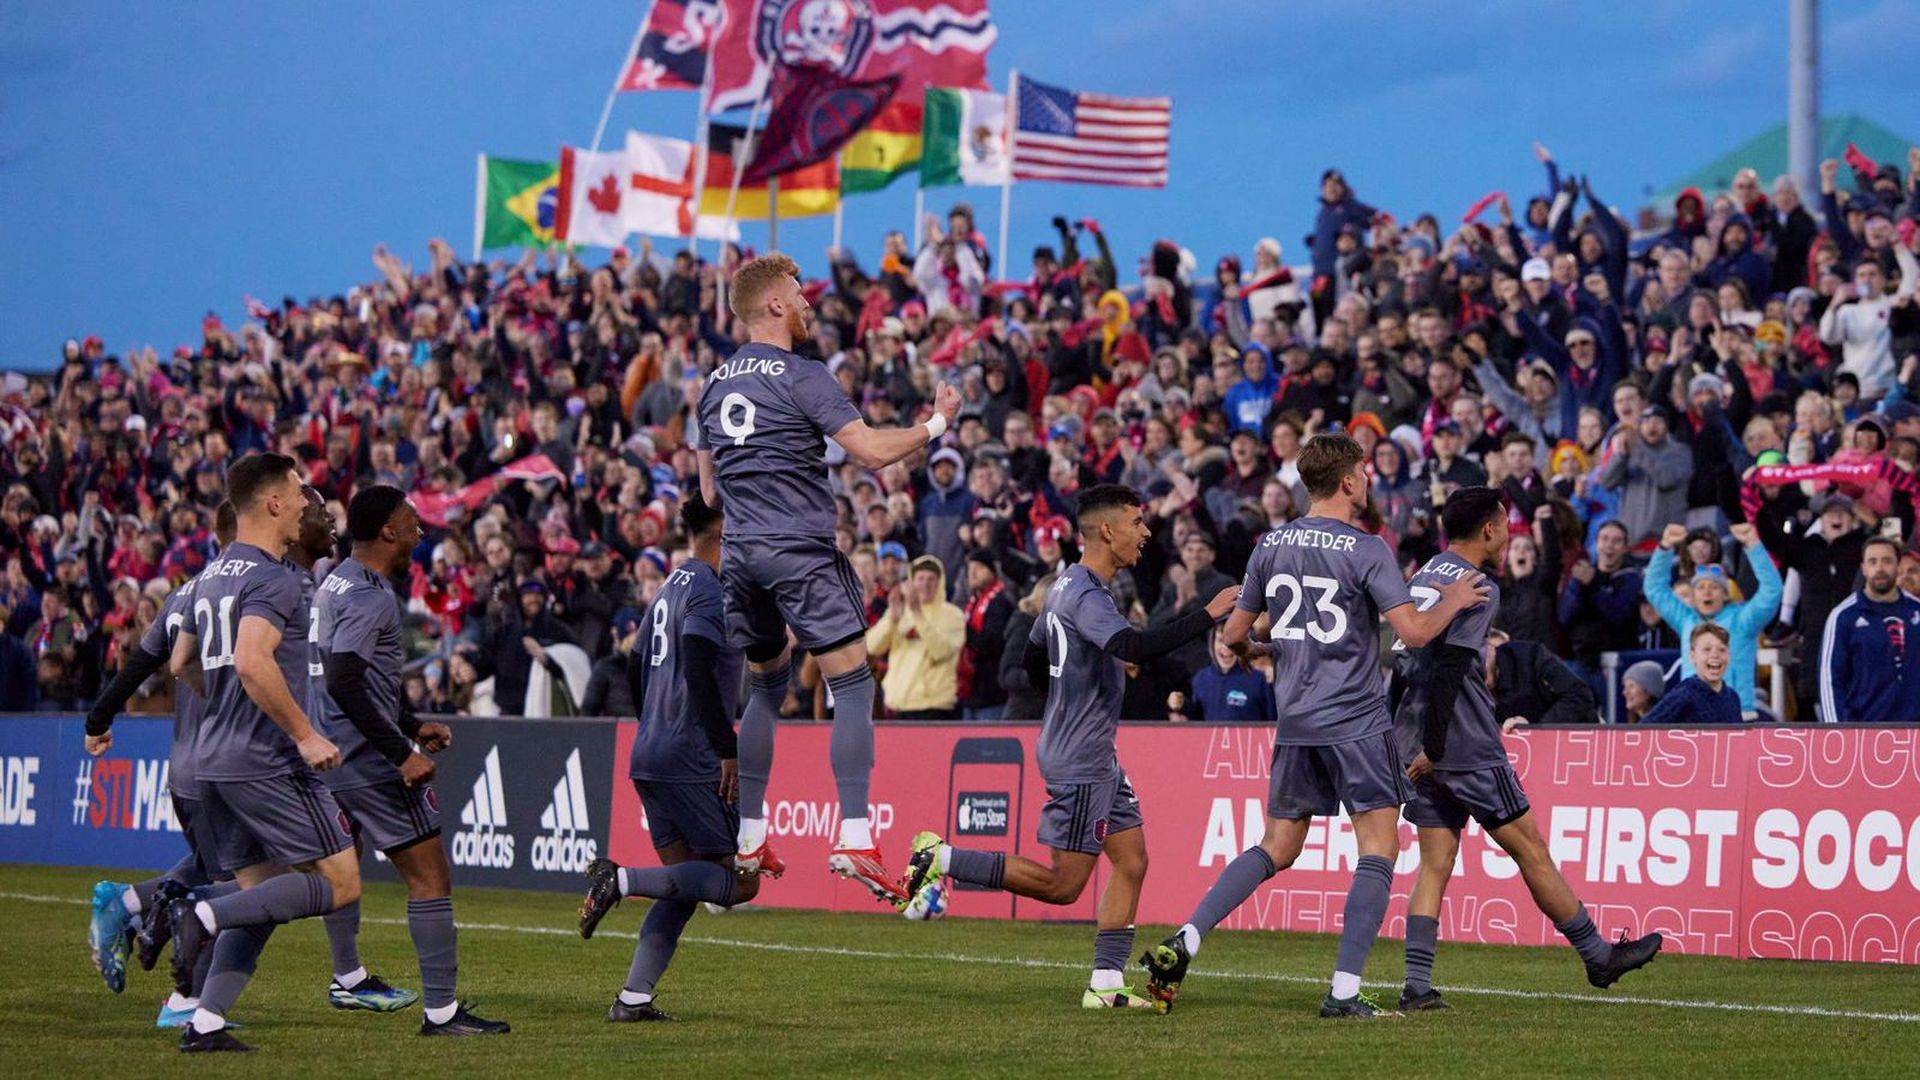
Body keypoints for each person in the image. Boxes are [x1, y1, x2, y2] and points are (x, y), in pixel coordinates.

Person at [1142, 433, 1489, 1018]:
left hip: (1295, 719)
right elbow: (1415, 633)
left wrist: (1266, 645)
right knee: (1379, 847)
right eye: (1364, 471)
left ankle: (1187, 939)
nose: (1370, 480)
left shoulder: (1269, 544)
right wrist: (1453, 599)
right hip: (1354, 717)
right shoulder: (1367, 548)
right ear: (1349, 480)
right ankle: (1345, 993)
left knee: (1276, 845)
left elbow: (1231, 635)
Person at [897, 484, 1236, 1010]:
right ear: (1108, 530)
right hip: (1082, 758)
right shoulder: (1086, 596)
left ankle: (1105, 984)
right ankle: (941, 856)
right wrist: (1208, 613)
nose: (1146, 533)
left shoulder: (1063, 587)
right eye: (1137, 521)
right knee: (1063, 886)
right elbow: (1135, 646)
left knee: (1133, 860)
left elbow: (1035, 660)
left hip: (1091, 750)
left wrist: (1078, 681)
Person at [696, 253, 961, 903]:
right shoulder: (802, 375)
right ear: (776, 306)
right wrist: (938, 423)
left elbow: (708, 492)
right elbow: (870, 452)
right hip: (798, 548)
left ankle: (751, 837)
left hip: (741, 553)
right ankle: (855, 836)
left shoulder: (711, 385)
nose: (810, 303)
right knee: (851, 682)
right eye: (799, 294)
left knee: (767, 686)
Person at [1393, 485, 1660, 1010]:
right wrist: (1436, 745)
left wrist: (1406, 740)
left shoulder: (1426, 575)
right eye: (1506, 522)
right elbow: (1450, 673)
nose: (1510, 530)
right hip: (1463, 744)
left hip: (1415, 738)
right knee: (1531, 851)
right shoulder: (1477, 586)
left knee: (1434, 864)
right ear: (1490, 529)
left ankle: (1417, 987)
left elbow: (1402, 664)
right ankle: (1597, 956)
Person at [158, 453, 361, 1053]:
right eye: (299, 492)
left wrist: (221, 706)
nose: (306, 503)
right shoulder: (278, 577)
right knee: (341, 884)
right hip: (266, 760)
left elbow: (180, 663)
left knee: (261, 900)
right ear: (273, 502)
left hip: (213, 759)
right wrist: (303, 732)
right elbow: (251, 660)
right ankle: (199, 915)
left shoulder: (212, 573)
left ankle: (206, 1021)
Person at [314, 485, 505, 1035]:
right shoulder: (370, 594)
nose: (421, 533)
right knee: (429, 876)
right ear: (388, 531)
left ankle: (344, 976)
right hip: (368, 760)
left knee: (329, 875)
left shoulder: (334, 581)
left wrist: (411, 722)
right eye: (412, 523)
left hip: (333, 753)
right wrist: (402, 751)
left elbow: (365, 677)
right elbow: (345, 681)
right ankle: (441, 1012)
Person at [575, 494, 762, 1021]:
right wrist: (725, 747)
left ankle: (633, 998)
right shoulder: (709, 589)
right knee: (739, 882)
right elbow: (700, 669)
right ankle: (622, 880)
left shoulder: (668, 586)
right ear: (724, 529)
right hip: (693, 756)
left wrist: (654, 722)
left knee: (683, 884)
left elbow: (635, 665)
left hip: (651, 752)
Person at [83, 502, 243, 1022]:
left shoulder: (185, 593)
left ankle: (128, 906)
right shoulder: (251, 587)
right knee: (244, 884)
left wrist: (98, 718)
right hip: (226, 762)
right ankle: (185, 1001)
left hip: (188, 765)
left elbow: (140, 662)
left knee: (222, 865)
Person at [1643, 522, 1781, 714]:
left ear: (1725, 594)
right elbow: (1654, 588)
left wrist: (1753, 546)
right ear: (1692, 596)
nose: (1707, 592)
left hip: (1738, 714)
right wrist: (1665, 547)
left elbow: (1772, 591)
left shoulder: (1743, 620)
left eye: (1714, 587)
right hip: (1694, 715)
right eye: (1700, 587)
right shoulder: (1685, 620)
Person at [1818, 537, 1920, 724]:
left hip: (1915, 731)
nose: (1880, 568)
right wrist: (1838, 733)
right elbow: (1830, 679)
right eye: (1873, 561)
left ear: (1898, 566)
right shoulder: (1843, 616)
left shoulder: (1916, 610)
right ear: (1863, 568)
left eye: (1887, 561)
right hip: (1864, 734)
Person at [865, 554, 966, 719]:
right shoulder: (899, 611)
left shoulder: (953, 615)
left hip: (935, 706)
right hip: (897, 704)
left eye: (931, 579)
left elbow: (942, 652)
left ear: (940, 582)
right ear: (912, 583)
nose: (925, 585)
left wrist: (917, 614)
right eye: (920, 579)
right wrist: (891, 620)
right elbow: (872, 647)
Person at [1484, 627, 1600, 726]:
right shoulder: (1472, 688)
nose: (1474, 670)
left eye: (1477, 659)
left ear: (1490, 648)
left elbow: (1579, 694)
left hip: (1576, 737)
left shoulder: (1529, 656)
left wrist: (1535, 728)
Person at [1641, 624, 1743, 724]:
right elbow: (1644, 730)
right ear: (1692, 656)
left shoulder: (1733, 697)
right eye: (1707, 649)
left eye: (1722, 650)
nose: (1715, 655)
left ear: (1729, 655)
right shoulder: (1683, 695)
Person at [958, 550, 1013, 721]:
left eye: (979, 567)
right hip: (972, 692)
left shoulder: (1000, 603)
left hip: (991, 693)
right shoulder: (972, 602)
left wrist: (961, 626)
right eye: (970, 568)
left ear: (993, 572)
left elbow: (990, 644)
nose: (972, 573)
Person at [1181, 626, 1275, 724]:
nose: (1226, 647)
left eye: (1232, 641)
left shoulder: (1259, 679)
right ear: (1211, 643)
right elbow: (1198, 723)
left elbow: (1274, 722)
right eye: (1220, 640)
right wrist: (1184, 706)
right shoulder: (1201, 679)